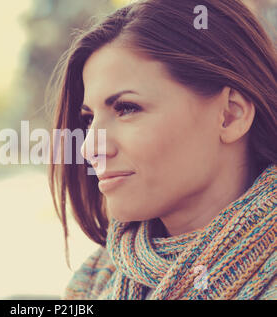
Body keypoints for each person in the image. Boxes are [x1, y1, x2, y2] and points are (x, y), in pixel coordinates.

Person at [46, 0, 276, 299]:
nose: (89, 147)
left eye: (127, 108)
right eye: (89, 119)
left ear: (231, 115)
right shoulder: (92, 281)